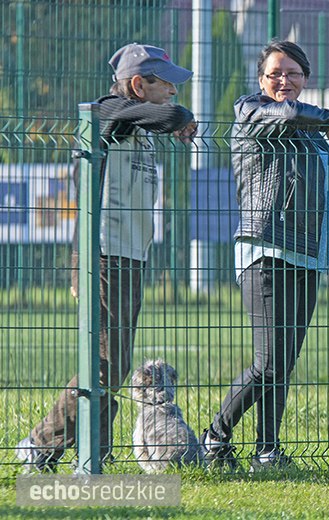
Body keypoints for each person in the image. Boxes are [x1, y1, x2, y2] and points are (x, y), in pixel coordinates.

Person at [16, 43, 197, 472]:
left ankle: (90, 454)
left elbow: (166, 116)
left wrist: (173, 123)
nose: (174, 90)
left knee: (110, 367)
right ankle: (41, 444)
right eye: (166, 82)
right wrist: (180, 120)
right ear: (138, 84)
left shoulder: (135, 123)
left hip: (128, 255)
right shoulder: (109, 112)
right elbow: (173, 115)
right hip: (104, 254)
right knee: (104, 366)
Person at [199, 40, 329, 471]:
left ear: (306, 77)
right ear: (261, 80)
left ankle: (267, 451)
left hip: (309, 256)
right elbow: (284, 114)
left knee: (283, 363)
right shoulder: (251, 111)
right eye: (275, 74)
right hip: (267, 250)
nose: (284, 81)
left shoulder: (313, 129)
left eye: (293, 74)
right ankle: (215, 436)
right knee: (267, 363)